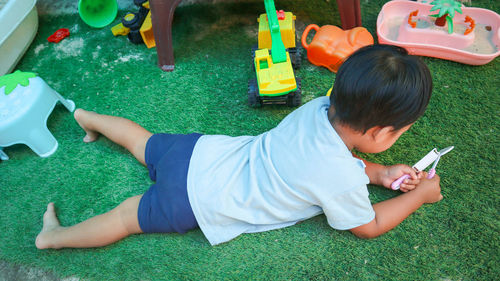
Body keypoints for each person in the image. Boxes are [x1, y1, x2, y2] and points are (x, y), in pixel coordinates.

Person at [36, 44, 442, 249]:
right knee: (126, 218)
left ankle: (86, 119)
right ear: (381, 134)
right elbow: (367, 226)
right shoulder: (338, 178)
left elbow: (330, 161)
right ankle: (52, 238)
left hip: (198, 154)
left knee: (141, 140)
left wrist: (378, 172)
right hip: (196, 201)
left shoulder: (320, 108)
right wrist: (420, 195)